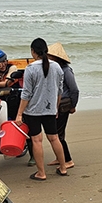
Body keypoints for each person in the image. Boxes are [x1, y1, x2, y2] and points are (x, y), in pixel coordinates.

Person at [15, 38, 68, 180]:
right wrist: (55, 108)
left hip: (33, 111)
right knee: (54, 138)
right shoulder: (56, 67)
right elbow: (59, 91)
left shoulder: (31, 69)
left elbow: (26, 94)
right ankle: (63, 168)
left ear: (33, 52)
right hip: (50, 108)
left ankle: (41, 173)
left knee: (37, 140)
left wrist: (19, 114)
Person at [46, 42, 79, 170]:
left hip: (64, 104)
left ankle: (68, 160)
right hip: (56, 104)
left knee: (57, 134)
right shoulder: (55, 69)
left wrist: (73, 105)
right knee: (57, 133)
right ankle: (60, 158)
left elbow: (74, 90)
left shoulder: (66, 70)